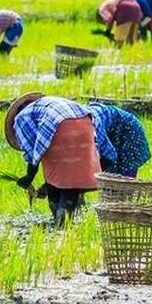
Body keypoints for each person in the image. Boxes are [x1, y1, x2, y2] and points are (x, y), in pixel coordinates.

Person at [6, 93, 99, 226]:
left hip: (61, 128)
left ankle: (61, 224)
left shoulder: (22, 117)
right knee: (73, 179)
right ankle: (64, 222)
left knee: (60, 179)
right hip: (85, 124)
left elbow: (33, 151)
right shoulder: (48, 104)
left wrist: (28, 177)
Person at [89, 101, 152, 177]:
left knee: (124, 179)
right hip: (111, 130)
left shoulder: (93, 126)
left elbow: (110, 157)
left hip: (129, 129)